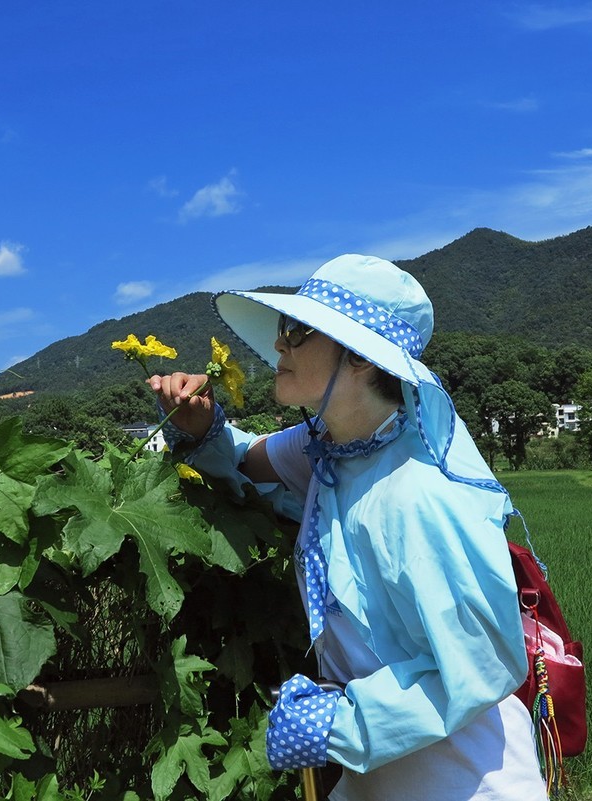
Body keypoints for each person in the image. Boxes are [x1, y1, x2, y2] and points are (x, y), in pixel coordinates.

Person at [148, 254, 546, 800]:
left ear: (359, 359)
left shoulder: (421, 492)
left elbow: (486, 663)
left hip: (461, 781)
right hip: (381, 777)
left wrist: (338, 725)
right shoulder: (331, 452)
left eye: (298, 331)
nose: (280, 344)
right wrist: (201, 423)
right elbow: (244, 460)